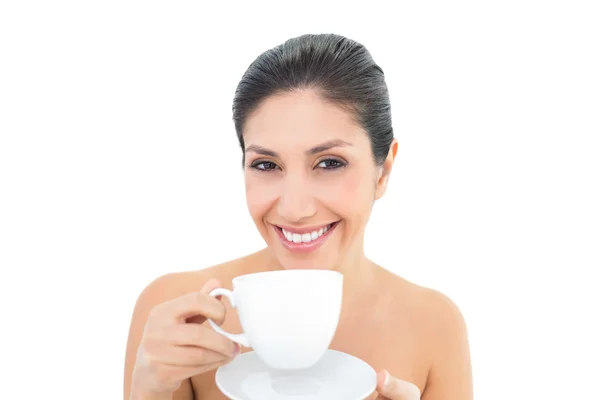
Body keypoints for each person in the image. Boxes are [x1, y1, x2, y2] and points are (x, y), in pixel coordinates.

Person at [123, 33, 473, 400]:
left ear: (382, 171)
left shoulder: (435, 326)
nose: (293, 208)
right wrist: (148, 389)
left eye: (329, 163)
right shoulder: (177, 317)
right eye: (266, 164)